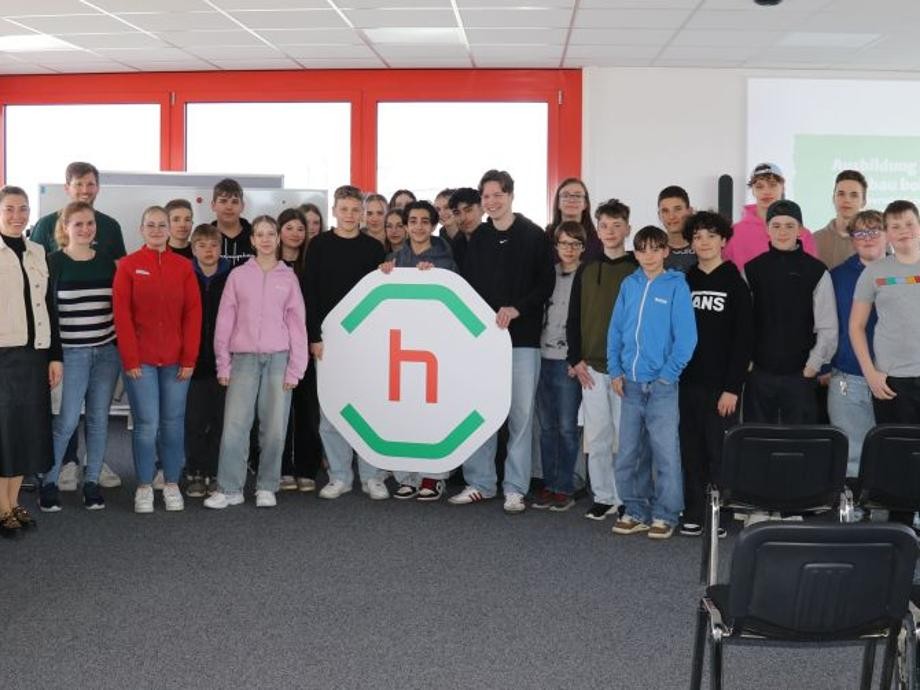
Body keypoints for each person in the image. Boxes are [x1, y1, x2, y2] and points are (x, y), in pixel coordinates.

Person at [449, 169, 555, 514]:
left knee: (521, 418)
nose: (491, 202)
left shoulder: (534, 235)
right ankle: (480, 482)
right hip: (482, 344)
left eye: (497, 195)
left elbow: (545, 286)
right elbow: (464, 287)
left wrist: (518, 309)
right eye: (486, 196)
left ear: (510, 195)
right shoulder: (476, 238)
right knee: (481, 413)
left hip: (523, 342)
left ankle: (514, 488)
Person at [29, 160, 124, 491]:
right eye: (79, 184)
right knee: (65, 417)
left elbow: (119, 290)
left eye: (91, 184)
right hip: (68, 348)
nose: (85, 190)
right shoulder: (44, 230)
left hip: (105, 348)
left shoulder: (110, 227)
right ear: (66, 187)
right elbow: (41, 295)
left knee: (98, 418)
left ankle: (92, 472)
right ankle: (60, 468)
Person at [205, 215, 307, 509]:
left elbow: (297, 324)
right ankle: (229, 488)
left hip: (278, 360)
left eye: (270, 234)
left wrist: (295, 368)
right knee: (235, 424)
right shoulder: (238, 276)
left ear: (277, 239)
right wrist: (223, 363)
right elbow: (225, 321)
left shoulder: (288, 277)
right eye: (259, 234)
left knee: (274, 426)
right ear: (252, 240)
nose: (264, 239)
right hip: (244, 359)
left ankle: (266, 485)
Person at [608, 225, 697, 540]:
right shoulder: (628, 285)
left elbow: (687, 339)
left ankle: (666, 513)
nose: (648, 255)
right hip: (629, 385)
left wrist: (667, 376)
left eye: (654, 248)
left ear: (665, 252)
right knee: (629, 452)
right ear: (636, 252)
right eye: (641, 249)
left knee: (665, 453)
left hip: (661, 387)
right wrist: (615, 370)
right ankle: (635, 510)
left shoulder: (676, 286)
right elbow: (616, 330)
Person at [113, 206, 202, 513]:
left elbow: (193, 313)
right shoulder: (128, 266)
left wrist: (189, 357)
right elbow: (122, 316)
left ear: (169, 230)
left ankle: (172, 483)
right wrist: (130, 359)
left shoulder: (183, 266)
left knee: (173, 425)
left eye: (161, 225)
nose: (156, 230)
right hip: (142, 362)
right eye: (150, 225)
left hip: (177, 361)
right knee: (147, 424)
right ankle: (144, 485)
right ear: (141, 229)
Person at [304, 185, 388, 500]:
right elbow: (309, 293)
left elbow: (381, 299)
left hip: (366, 343)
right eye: (345, 209)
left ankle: (372, 476)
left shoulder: (373, 249)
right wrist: (314, 336)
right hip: (328, 342)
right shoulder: (319, 245)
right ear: (335, 210)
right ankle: (339, 475)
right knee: (330, 411)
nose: (351, 215)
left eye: (356, 210)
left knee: (369, 409)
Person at [677, 211, 753, 536]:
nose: (703, 242)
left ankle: (718, 515)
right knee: (691, 448)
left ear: (723, 240)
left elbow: (743, 341)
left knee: (718, 452)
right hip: (687, 383)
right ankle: (694, 511)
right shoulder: (686, 280)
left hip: (721, 387)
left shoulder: (735, 282)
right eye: (697, 237)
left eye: (710, 235)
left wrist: (732, 388)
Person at [381, 200, 458, 501]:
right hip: (401, 347)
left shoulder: (446, 260)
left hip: (435, 348)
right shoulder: (395, 259)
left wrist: (436, 275)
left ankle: (433, 476)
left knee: (433, 412)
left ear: (433, 224)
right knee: (404, 410)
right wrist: (385, 273)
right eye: (412, 220)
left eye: (425, 221)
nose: (418, 226)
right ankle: (406, 476)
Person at [565, 198, 636, 520]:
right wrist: (575, 358)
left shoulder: (637, 269)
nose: (610, 231)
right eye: (604, 226)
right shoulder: (587, 269)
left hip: (625, 370)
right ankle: (604, 496)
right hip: (590, 368)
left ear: (627, 229)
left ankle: (625, 498)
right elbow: (574, 317)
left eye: (616, 225)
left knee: (625, 436)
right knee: (597, 435)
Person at [0, 186, 62, 537]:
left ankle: (12, 501)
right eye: (9, 209)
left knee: (26, 431)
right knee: (5, 431)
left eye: (23, 209)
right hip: (3, 355)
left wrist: (55, 356)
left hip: (34, 353)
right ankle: (2, 507)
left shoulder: (39, 251)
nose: (17, 215)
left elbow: (49, 308)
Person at [743, 200, 837, 424]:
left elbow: (828, 326)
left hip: (800, 375)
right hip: (759, 375)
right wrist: (748, 363)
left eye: (789, 225)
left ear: (801, 230)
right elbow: (742, 324)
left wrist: (812, 366)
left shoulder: (816, 271)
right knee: (758, 444)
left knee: (799, 445)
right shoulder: (751, 269)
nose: (782, 231)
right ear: (767, 229)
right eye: (776, 225)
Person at [532, 221, 585, 512]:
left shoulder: (587, 276)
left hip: (568, 363)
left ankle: (564, 486)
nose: (569, 249)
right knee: (547, 427)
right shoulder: (547, 274)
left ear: (583, 248)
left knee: (566, 428)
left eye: (575, 244)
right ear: (556, 246)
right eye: (564, 243)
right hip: (541, 357)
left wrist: (578, 358)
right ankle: (549, 484)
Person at [828, 210, 886, 480]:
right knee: (852, 455)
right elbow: (827, 324)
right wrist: (826, 365)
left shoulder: (907, 274)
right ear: (852, 240)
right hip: (848, 378)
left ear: (887, 234)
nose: (868, 238)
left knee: (893, 451)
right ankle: (856, 516)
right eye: (860, 233)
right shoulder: (836, 276)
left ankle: (894, 516)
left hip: (895, 378)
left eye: (874, 230)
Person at [851, 200, 920, 425]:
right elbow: (856, 326)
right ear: (887, 234)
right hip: (891, 382)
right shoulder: (874, 273)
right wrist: (870, 373)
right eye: (895, 226)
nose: (903, 231)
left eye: (909, 224)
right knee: (896, 456)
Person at [183, 224, 231, 499]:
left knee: (220, 420)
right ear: (193, 248)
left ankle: (214, 471)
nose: (208, 250)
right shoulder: (186, 275)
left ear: (220, 247)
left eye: (213, 245)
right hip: (194, 363)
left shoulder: (232, 277)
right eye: (202, 245)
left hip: (223, 364)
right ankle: (195, 472)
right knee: (194, 420)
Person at [278, 208, 323, 493]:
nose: (296, 233)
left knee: (307, 411)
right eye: (290, 227)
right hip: (276, 347)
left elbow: (315, 304)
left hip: (306, 346)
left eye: (301, 228)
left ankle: (307, 468)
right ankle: (281, 468)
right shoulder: (269, 263)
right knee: (279, 412)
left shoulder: (312, 264)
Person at [724, 163, 817, 271]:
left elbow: (811, 276)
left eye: (772, 185)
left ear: (782, 188)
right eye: (759, 186)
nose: (766, 191)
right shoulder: (734, 233)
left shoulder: (802, 234)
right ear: (753, 190)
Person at [813, 170, 868, 270]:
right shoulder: (815, 240)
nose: (847, 200)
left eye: (854, 195)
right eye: (841, 194)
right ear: (833, 198)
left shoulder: (877, 241)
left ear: (863, 202)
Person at [547, 178, 601, 260]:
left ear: (585, 204)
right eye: (565, 195)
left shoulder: (598, 240)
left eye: (578, 196)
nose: (571, 200)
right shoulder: (545, 238)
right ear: (558, 203)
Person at [211, 178, 254, 268]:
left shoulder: (256, 236)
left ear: (242, 206)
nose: (229, 207)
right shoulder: (204, 236)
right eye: (223, 201)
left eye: (234, 202)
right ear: (213, 205)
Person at [657, 185, 696, 273]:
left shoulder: (705, 247)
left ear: (689, 211)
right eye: (665, 211)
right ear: (659, 215)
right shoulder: (653, 253)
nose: (671, 216)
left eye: (677, 209)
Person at [447, 187, 485, 271]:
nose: (463, 218)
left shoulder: (497, 240)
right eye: (457, 213)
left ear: (482, 208)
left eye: (468, 210)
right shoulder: (454, 247)